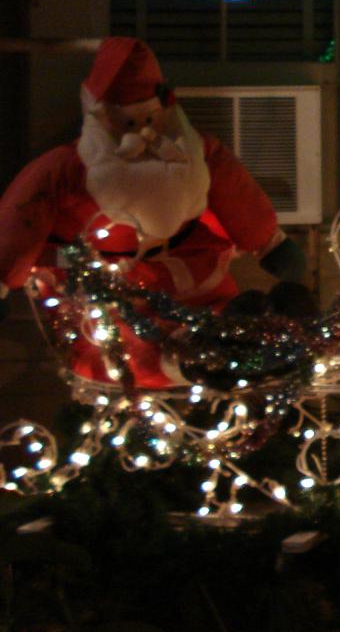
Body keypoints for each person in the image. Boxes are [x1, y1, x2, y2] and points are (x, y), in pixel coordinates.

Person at [0, 37, 307, 385]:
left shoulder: (198, 155)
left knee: (219, 319)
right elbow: (18, 220)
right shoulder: (63, 170)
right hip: (104, 284)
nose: (143, 133)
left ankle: (251, 340)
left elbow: (237, 194)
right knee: (115, 351)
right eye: (129, 124)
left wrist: (271, 242)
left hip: (190, 265)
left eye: (149, 118)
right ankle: (192, 362)